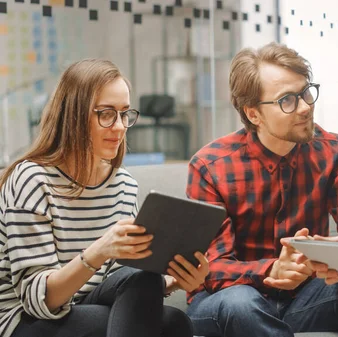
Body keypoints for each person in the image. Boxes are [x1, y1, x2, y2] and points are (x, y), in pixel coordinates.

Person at [185, 42, 338, 337]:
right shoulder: (210, 165)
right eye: (287, 100)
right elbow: (211, 268)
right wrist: (271, 270)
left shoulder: (336, 152)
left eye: (306, 92)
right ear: (253, 114)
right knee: (241, 302)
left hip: (308, 297)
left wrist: (322, 254)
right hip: (229, 301)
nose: (306, 106)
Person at [0, 59, 208, 337]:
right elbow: (40, 301)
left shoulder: (123, 185)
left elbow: (122, 279)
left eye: (125, 114)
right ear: (72, 116)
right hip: (24, 317)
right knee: (141, 322)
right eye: (106, 114)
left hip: (89, 302)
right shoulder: (32, 179)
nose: (120, 127)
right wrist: (99, 251)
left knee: (172, 318)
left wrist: (173, 281)